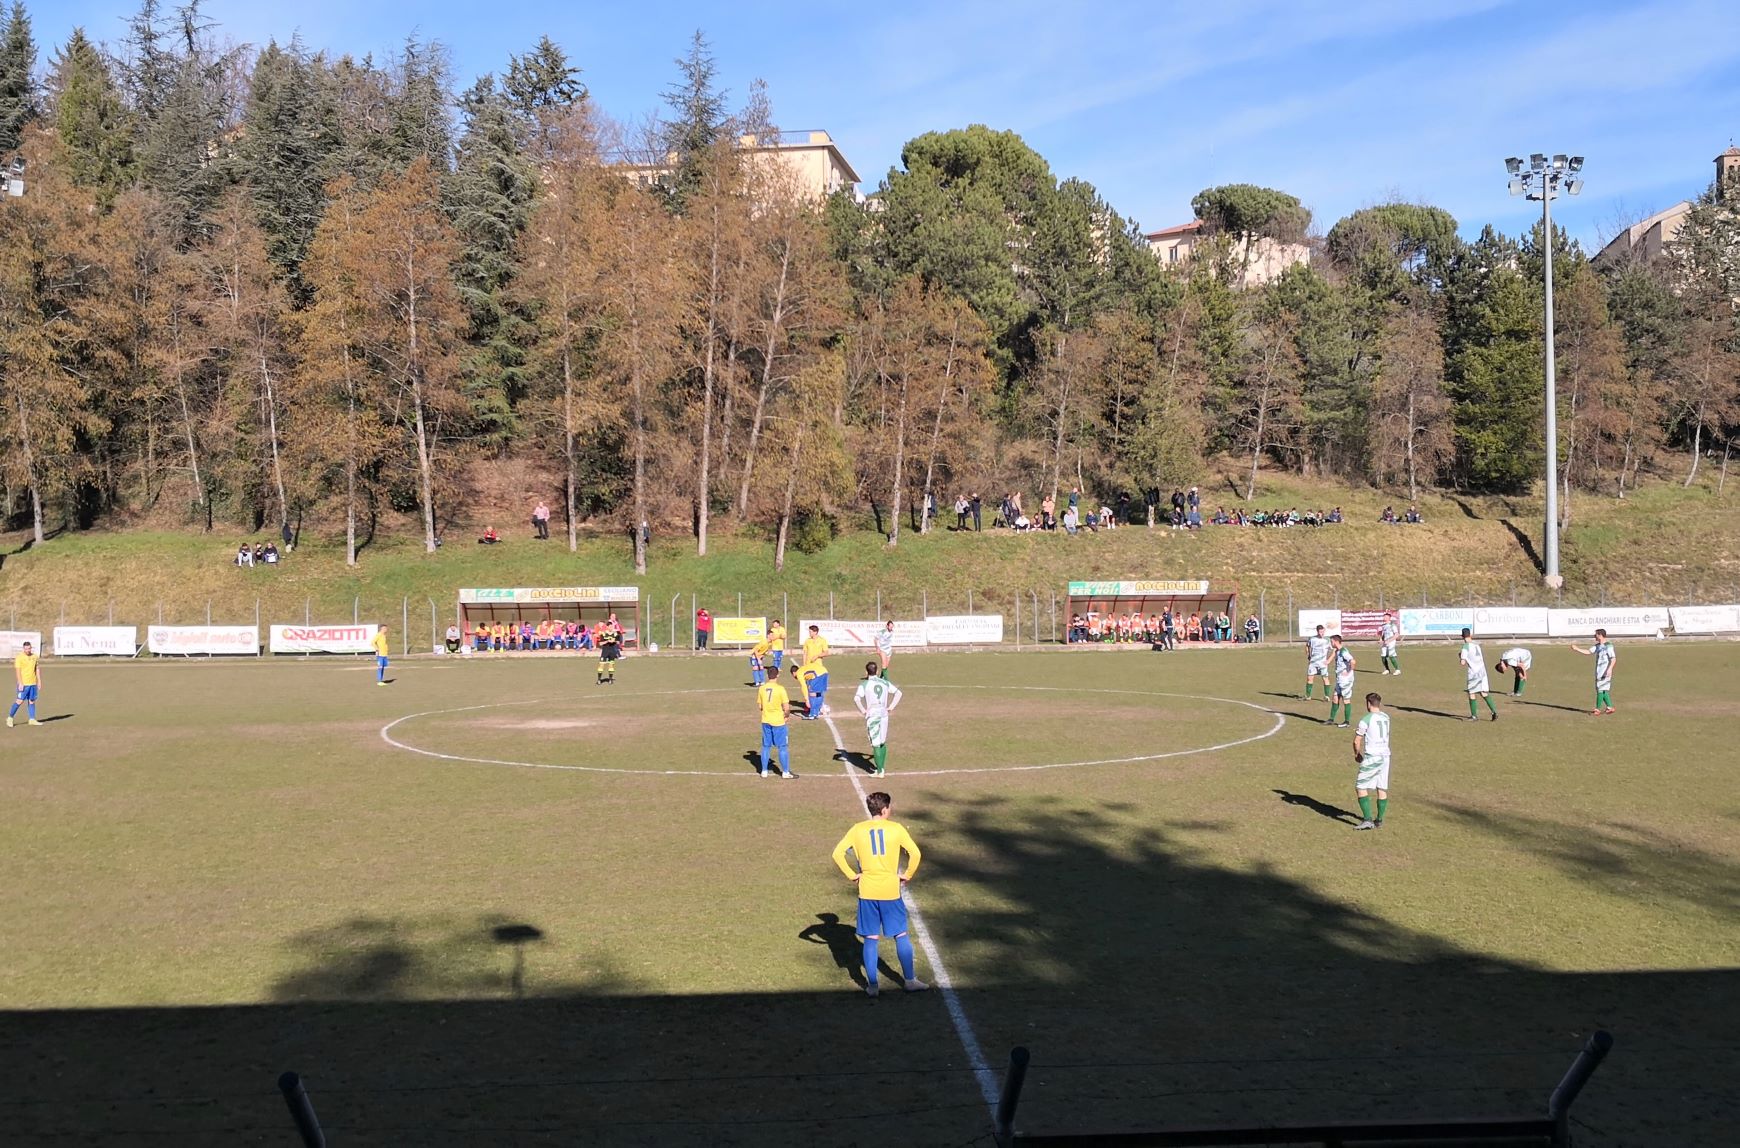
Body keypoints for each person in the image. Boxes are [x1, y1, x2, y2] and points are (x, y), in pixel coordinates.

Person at [830, 791, 927, 997]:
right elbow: (916, 853)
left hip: (867, 891)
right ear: (884, 810)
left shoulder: (857, 830)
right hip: (891, 891)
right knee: (901, 934)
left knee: (871, 939)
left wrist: (852, 875)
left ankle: (872, 986)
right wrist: (907, 875)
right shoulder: (896, 829)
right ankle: (909, 981)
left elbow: (838, 853)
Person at [1352, 692, 1391, 831]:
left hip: (1372, 757)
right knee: (1381, 787)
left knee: (1360, 786)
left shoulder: (1366, 719)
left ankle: (1368, 819)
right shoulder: (1386, 717)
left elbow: (1357, 741)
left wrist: (1357, 754)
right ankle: (1379, 820)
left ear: (1368, 703)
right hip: (1385, 756)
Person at [757, 664, 796, 779]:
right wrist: (786, 716)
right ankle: (785, 772)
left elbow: (760, 706)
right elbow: (787, 707)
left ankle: (764, 771)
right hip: (778, 722)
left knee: (765, 746)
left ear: (767, 675)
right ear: (777, 675)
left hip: (765, 720)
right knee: (782, 747)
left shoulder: (762, 688)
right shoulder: (780, 689)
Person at [1571, 629, 1617, 715]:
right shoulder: (1598, 646)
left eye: (1595, 634)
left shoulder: (1608, 646)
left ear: (1600, 635)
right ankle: (1609, 707)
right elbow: (1588, 652)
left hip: (1605, 671)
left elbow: (1613, 658)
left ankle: (1597, 709)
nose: (1594, 636)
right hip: (1599, 671)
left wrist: (1610, 668)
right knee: (1604, 690)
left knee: (1600, 690)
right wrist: (1577, 649)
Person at [1459, 627, 1498, 721]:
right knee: (1483, 692)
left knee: (1471, 693)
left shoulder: (1465, 646)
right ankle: (1494, 712)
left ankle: (1474, 716)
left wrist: (1460, 657)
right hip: (1482, 671)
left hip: (1474, 673)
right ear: (1470, 635)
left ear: (1462, 636)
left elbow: (1462, 663)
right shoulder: (1476, 645)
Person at [8, 640, 41, 726]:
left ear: (31, 648)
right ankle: (10, 718)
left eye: (29, 648)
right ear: (23, 649)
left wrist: (39, 681)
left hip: (33, 683)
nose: (28, 650)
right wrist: (20, 683)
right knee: (19, 701)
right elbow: (18, 671)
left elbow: (37, 669)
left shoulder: (35, 657)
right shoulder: (19, 657)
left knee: (32, 701)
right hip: (24, 684)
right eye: (26, 649)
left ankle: (32, 719)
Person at [801, 624, 831, 719]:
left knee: (818, 689)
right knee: (809, 688)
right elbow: (805, 653)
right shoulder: (807, 641)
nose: (809, 633)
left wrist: (817, 655)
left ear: (815, 632)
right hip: (808, 668)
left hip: (818, 669)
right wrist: (804, 665)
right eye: (809, 631)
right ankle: (810, 706)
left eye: (810, 631)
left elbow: (826, 653)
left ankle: (819, 706)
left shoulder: (822, 640)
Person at [1328, 634, 1357, 727]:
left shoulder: (1343, 651)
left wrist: (1349, 671)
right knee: (1335, 697)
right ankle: (1331, 719)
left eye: (1331, 641)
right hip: (1340, 679)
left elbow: (1353, 661)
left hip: (1345, 680)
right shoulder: (1338, 651)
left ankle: (1347, 722)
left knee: (1346, 700)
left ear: (1336, 641)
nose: (1331, 643)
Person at [1304, 624, 1332, 703]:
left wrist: (1329, 660)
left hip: (1323, 663)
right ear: (1317, 631)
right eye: (1320, 632)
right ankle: (1308, 696)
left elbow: (1334, 650)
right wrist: (1309, 655)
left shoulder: (1327, 640)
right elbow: (1307, 646)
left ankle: (1327, 696)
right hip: (1313, 662)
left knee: (1325, 678)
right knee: (1310, 678)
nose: (1321, 633)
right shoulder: (1312, 639)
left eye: (1323, 631)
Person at [596, 615, 622, 685]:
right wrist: (607, 641)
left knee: (611, 665)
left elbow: (618, 642)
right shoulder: (603, 634)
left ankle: (610, 679)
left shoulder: (615, 634)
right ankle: (599, 679)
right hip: (605, 651)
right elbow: (600, 643)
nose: (612, 628)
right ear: (607, 627)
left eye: (612, 626)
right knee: (601, 665)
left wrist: (614, 641)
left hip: (612, 651)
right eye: (610, 626)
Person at [1378, 611, 1402, 676]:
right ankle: (1387, 670)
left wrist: (1390, 640)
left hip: (1391, 642)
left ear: (1389, 617)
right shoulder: (1383, 625)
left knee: (1391, 655)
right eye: (1384, 616)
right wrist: (1381, 639)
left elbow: (1396, 635)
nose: (1384, 617)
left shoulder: (1392, 625)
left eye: (1386, 616)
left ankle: (1397, 670)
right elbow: (1382, 634)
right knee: (1383, 656)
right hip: (1385, 642)